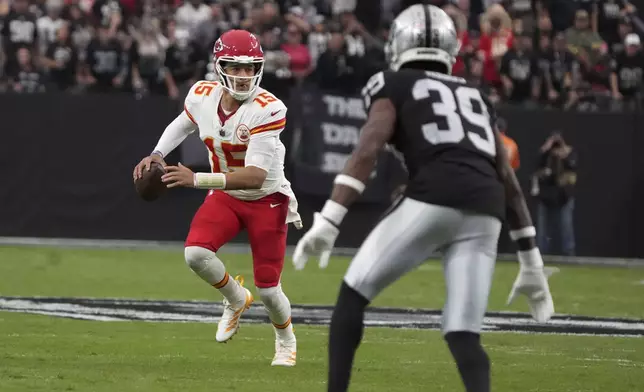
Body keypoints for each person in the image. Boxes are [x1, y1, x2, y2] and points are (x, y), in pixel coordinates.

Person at [292, 5, 555, 392]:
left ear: (398, 44)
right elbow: (508, 179)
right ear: (451, 47)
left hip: (435, 196)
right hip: (488, 209)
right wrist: (531, 260)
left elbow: (368, 149)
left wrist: (330, 218)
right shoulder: (475, 94)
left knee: (351, 297)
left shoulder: (393, 83)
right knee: (464, 333)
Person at [133, 29, 302, 367]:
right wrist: (156, 153)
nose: (243, 76)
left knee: (269, 289)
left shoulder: (267, 109)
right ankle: (236, 298)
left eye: (250, 68)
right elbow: (182, 124)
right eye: (235, 67)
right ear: (219, 66)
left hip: (266, 199)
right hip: (227, 195)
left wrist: (197, 178)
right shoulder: (202, 94)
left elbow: (254, 177)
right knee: (195, 254)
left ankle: (285, 340)